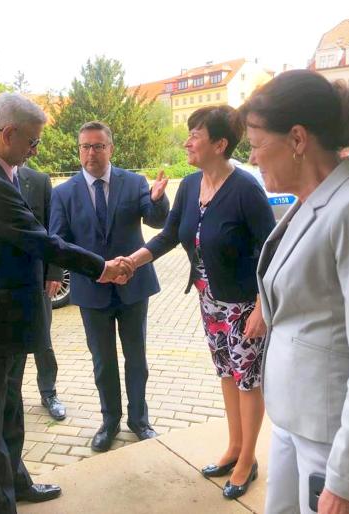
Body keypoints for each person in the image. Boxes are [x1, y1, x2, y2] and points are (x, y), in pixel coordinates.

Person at [0, 93, 131, 514]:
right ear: (7, 133)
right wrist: (101, 267)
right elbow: (42, 240)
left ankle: (17, 483)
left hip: (2, 323)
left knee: (10, 411)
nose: (35, 150)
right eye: (32, 141)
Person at [240, 70, 349, 514]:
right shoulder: (310, 202)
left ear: (297, 139)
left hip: (334, 436)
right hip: (294, 418)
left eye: (257, 145)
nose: (253, 157)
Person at [124, 105, 275, 499]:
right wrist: (131, 262)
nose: (187, 141)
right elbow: (169, 235)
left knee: (248, 381)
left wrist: (262, 307)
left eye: (195, 134)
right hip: (210, 301)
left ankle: (248, 461)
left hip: (244, 306)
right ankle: (234, 447)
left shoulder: (246, 189)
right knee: (226, 374)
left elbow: (270, 251)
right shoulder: (190, 185)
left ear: (220, 143)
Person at [50, 121, 169, 451]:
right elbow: (58, 241)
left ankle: (139, 419)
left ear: (110, 148)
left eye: (98, 146)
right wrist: (55, 274)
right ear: (79, 150)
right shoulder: (63, 193)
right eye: (85, 146)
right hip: (92, 290)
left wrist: (158, 200)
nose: (91, 152)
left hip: (133, 286)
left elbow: (156, 220)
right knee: (103, 361)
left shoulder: (133, 183)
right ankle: (110, 421)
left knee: (136, 358)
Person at [0, 125, 67, 421]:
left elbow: (52, 230)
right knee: (11, 350)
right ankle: (8, 396)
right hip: (4, 286)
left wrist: (54, 270)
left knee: (42, 340)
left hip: (39, 278)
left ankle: (49, 392)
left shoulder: (38, 181)